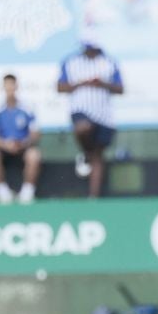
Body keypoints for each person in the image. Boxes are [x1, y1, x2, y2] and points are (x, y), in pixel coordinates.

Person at [58, 35, 122, 200]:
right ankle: (85, 153)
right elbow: (60, 86)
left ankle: (93, 197)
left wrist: (101, 83)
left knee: (97, 156)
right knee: (83, 128)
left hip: (104, 115)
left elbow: (120, 88)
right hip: (81, 109)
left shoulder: (109, 62)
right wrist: (83, 83)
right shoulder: (71, 62)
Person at [0, 73, 42, 203]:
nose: (10, 89)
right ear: (3, 88)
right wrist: (6, 145)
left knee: (34, 155)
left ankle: (27, 193)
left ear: (16, 86)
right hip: (3, 148)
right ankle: (3, 193)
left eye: (12, 86)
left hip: (23, 146)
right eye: (7, 86)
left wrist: (22, 143)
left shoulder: (28, 108)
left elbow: (35, 134)